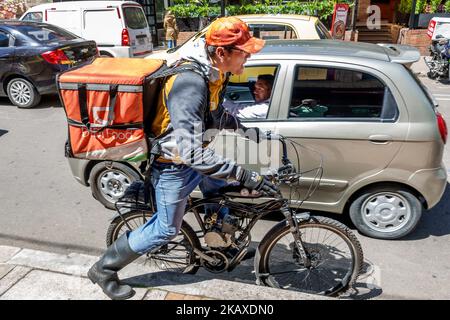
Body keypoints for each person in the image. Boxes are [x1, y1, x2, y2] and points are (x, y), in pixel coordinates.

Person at [88, 17, 279, 300]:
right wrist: (244, 174)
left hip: (195, 157)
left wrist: (250, 133)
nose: (249, 58)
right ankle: (103, 269)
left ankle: (223, 244)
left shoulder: (215, 73)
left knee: (220, 193)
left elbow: (216, 115)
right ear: (222, 53)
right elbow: (190, 153)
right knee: (165, 229)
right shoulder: (190, 83)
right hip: (174, 166)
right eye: (245, 52)